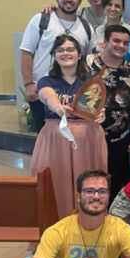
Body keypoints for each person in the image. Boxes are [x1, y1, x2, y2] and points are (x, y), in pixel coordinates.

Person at [31, 35, 107, 220]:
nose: (66, 53)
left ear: (79, 54)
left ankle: (88, 226)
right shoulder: (46, 81)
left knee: (89, 184)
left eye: (70, 49)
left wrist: (101, 114)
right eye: (61, 50)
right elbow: (47, 96)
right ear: (54, 55)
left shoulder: (92, 81)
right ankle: (54, 229)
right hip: (55, 139)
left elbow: (97, 106)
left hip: (87, 139)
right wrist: (57, 107)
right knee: (55, 182)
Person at [21, 0, 93, 132]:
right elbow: (27, 52)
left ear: (80, 1)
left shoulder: (87, 28)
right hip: (41, 90)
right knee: (45, 135)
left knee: (74, 135)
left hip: (73, 93)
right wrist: (28, 84)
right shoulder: (41, 20)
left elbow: (86, 59)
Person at [86, 25, 130, 199]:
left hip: (121, 138)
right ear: (105, 42)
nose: (121, 46)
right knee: (91, 181)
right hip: (90, 134)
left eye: (125, 43)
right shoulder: (88, 66)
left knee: (117, 184)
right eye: (116, 41)